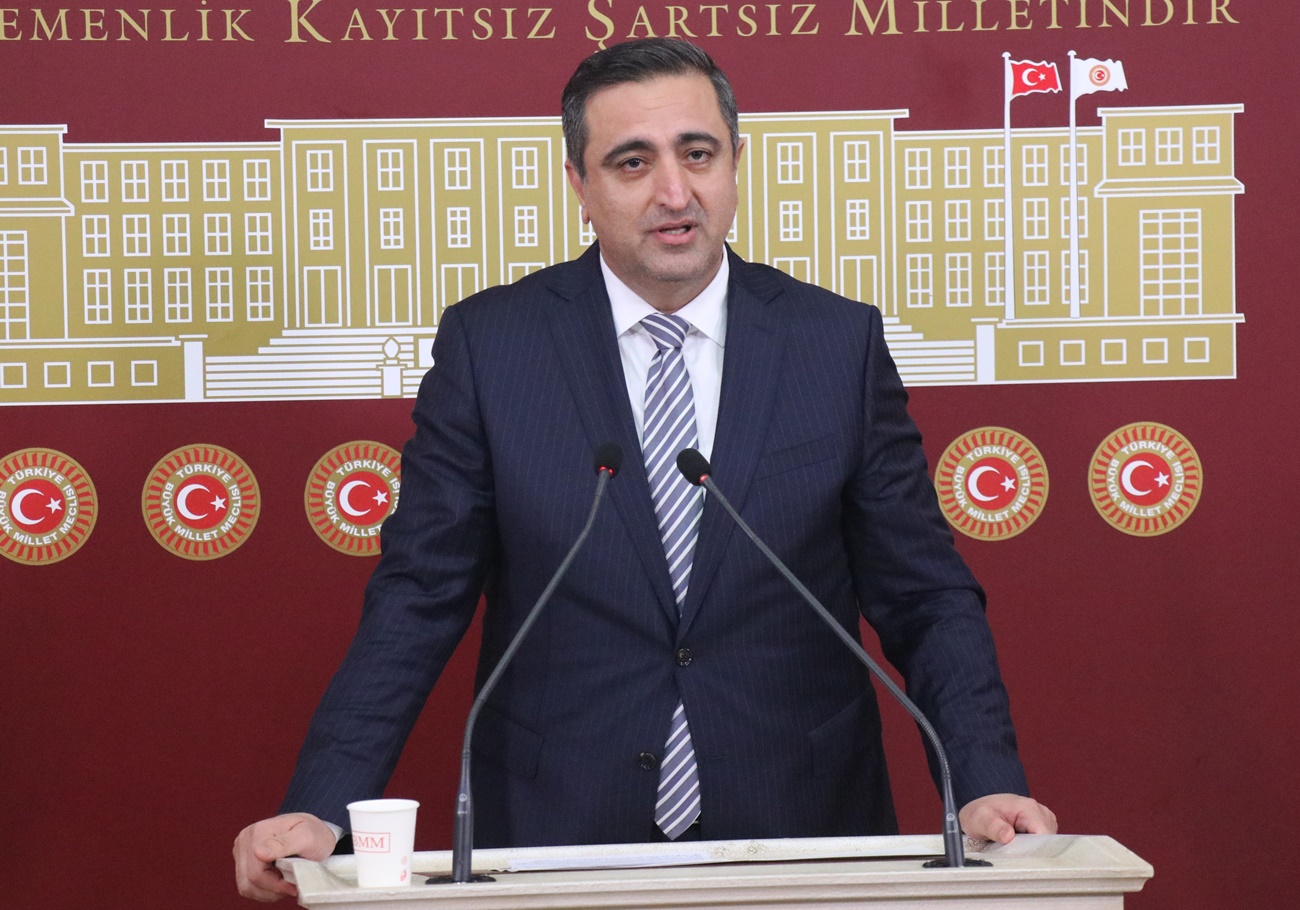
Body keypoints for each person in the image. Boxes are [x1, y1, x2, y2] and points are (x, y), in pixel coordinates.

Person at [235, 37, 1055, 902]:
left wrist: (984, 780)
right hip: (561, 827)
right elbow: (418, 594)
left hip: (802, 822)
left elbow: (924, 594)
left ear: (735, 162)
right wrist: (321, 806)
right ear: (579, 185)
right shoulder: (494, 347)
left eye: (697, 154)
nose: (674, 192)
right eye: (633, 162)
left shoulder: (834, 344)